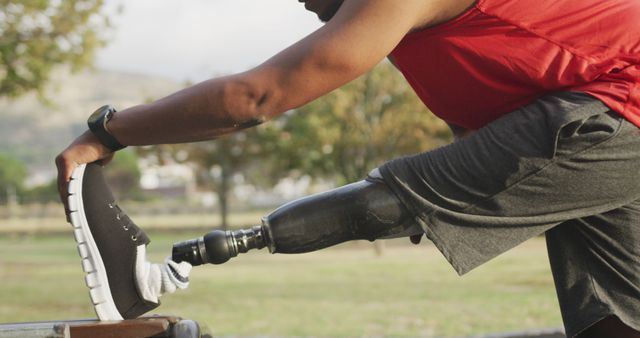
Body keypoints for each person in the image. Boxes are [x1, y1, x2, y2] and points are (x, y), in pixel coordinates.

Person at [56, 0, 640, 336]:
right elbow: (499, 109)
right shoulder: (413, 34)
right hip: (607, 119)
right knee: (612, 320)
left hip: (619, 108)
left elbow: (255, 98)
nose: (302, 1)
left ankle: (195, 257)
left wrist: (107, 132)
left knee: (384, 198)